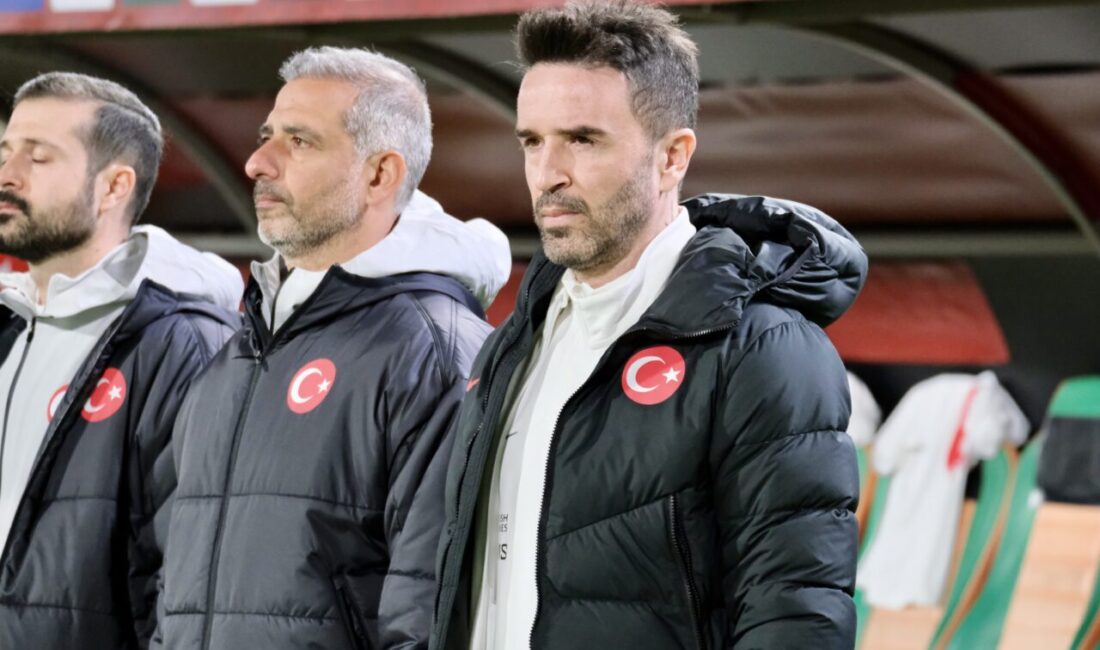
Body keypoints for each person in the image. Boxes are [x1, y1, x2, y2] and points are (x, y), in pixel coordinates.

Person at [430, 3, 868, 649]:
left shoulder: (764, 350)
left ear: (672, 157)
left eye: (583, 139)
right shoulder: (511, 345)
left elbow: (795, 613)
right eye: (532, 141)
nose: (548, 173)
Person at [151, 47, 511, 650]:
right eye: (266, 136)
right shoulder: (237, 352)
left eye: (299, 141)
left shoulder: (434, 351)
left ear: (380, 175)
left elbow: (428, 617)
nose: (257, 162)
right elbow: (171, 587)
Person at [0, 72, 242, 649]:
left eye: (39, 156)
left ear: (113, 187)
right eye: (6, 151)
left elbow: (187, 584)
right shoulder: (8, 325)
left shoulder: (182, 342)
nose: (8, 174)